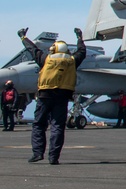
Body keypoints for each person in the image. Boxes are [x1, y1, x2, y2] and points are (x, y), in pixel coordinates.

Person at [19, 27, 87, 164]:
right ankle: (53, 157)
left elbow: (33, 50)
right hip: (62, 97)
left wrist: (23, 37)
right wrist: (80, 38)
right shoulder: (72, 61)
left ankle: (38, 153)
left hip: (45, 96)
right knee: (58, 126)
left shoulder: (45, 59)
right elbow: (82, 52)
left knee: (39, 124)